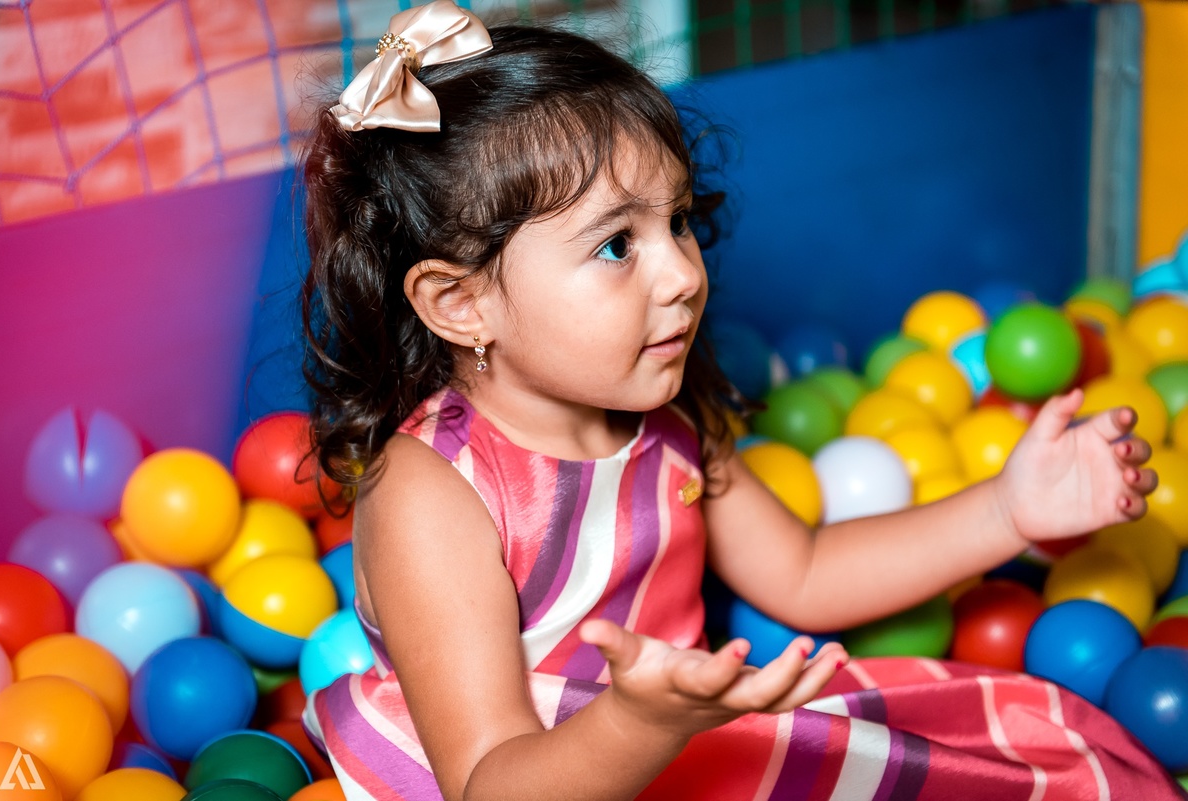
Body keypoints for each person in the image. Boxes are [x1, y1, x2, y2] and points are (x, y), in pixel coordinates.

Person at [299, 2, 1182, 799]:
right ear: (463, 304)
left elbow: (805, 574)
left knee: (1031, 760)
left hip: (674, 730)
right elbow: (491, 781)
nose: (685, 273)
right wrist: (640, 721)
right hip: (549, 769)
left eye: (676, 221)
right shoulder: (429, 491)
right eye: (616, 245)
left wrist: (1009, 509)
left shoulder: (663, 423)